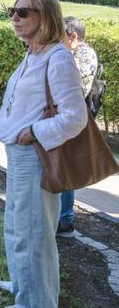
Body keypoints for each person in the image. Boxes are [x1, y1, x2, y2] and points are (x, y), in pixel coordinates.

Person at [0, 0, 87, 308]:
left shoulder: (58, 57)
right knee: (17, 224)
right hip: (18, 152)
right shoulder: (33, 52)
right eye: (13, 12)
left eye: (24, 12)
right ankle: (22, 284)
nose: (15, 19)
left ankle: (38, 307)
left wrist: (33, 131)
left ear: (46, 16)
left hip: (35, 153)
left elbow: (75, 117)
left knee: (35, 230)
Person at [54, 17, 99, 236]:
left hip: (72, 119)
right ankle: (62, 217)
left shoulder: (84, 54)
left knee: (65, 169)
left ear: (72, 36)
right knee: (61, 166)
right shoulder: (73, 53)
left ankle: (65, 219)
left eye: (60, 36)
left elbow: (74, 89)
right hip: (67, 117)